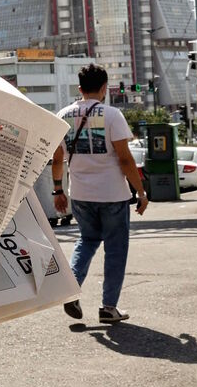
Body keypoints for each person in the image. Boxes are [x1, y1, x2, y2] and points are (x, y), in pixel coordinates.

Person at [51, 63, 148, 324]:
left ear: (80, 88)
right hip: (112, 195)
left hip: (80, 194)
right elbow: (126, 159)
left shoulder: (63, 115)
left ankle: (71, 289)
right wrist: (140, 192)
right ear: (104, 88)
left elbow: (57, 158)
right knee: (116, 250)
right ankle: (108, 307)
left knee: (87, 240)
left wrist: (57, 189)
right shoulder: (113, 115)